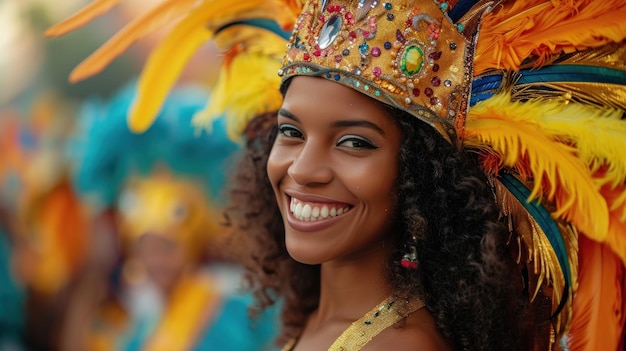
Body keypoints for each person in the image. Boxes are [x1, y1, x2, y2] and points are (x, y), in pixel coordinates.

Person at [47, 0, 626, 350]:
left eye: (354, 142)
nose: (302, 169)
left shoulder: (400, 344)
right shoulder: (326, 319)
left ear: (422, 175)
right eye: (291, 132)